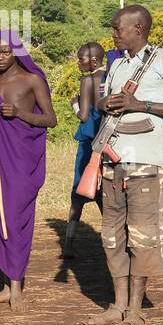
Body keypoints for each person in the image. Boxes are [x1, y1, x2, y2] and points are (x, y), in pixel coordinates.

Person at [85, 6, 163, 325]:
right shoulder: (118, 64)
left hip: (146, 161)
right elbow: (100, 103)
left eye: (117, 29)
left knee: (141, 235)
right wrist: (105, 103)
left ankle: (135, 311)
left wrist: (142, 105)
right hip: (113, 159)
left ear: (137, 28)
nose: (113, 34)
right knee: (112, 235)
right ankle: (117, 304)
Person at [0, 31, 56, 310]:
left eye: (6, 52)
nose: (0, 57)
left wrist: (18, 114)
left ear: (17, 52)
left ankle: (17, 286)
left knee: (15, 218)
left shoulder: (32, 80)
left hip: (21, 161)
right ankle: (7, 284)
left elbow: (50, 120)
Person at [64, 42, 106, 258]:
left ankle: (69, 245)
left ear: (94, 61)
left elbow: (84, 116)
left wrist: (75, 104)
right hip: (108, 141)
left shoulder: (88, 79)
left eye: (81, 59)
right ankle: (114, 240)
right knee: (105, 193)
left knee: (79, 192)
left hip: (89, 143)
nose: (78, 62)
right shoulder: (110, 75)